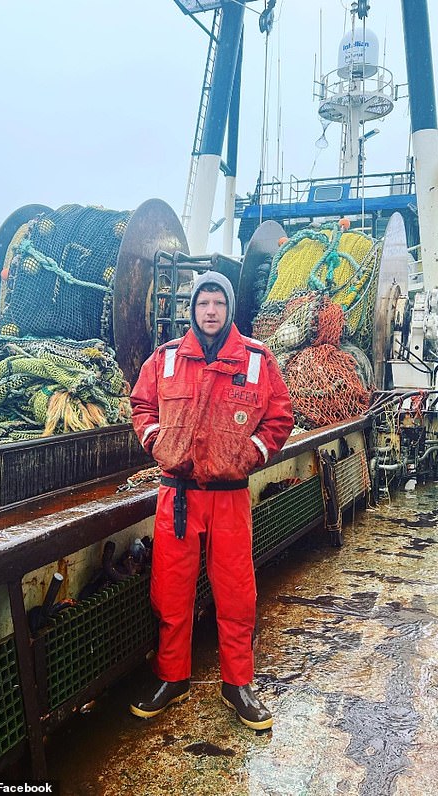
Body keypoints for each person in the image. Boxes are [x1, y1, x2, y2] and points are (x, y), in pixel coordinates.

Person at [129, 270, 293, 731]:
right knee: (170, 591)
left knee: (237, 593)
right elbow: (141, 406)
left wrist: (252, 452)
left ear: (229, 308)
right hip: (176, 498)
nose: (211, 311)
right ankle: (172, 677)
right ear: (192, 309)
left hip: (228, 499)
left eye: (218, 303)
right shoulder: (164, 361)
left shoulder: (258, 360)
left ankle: (237, 684)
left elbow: (280, 416)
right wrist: (158, 442)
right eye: (203, 303)